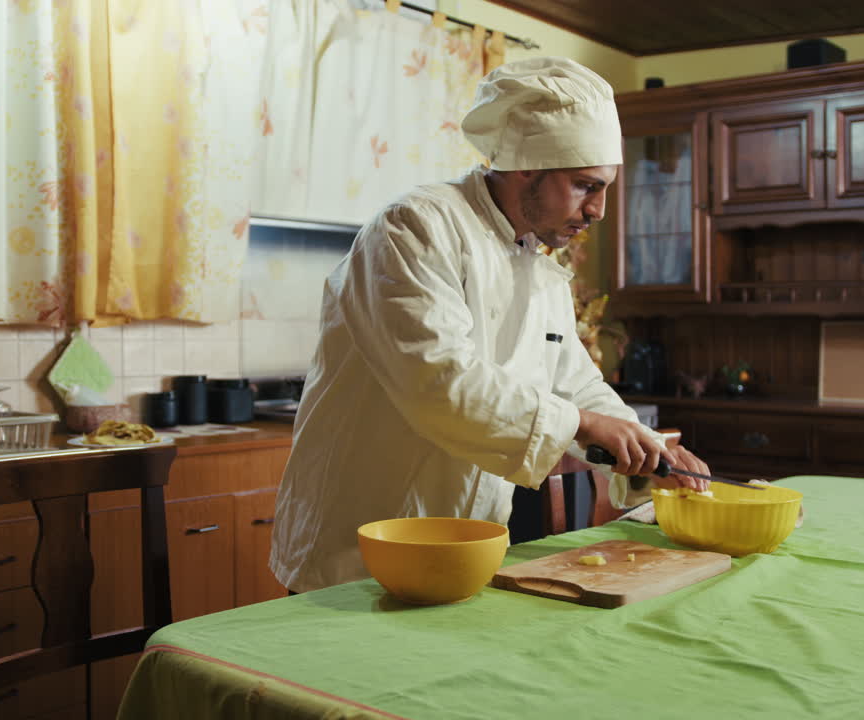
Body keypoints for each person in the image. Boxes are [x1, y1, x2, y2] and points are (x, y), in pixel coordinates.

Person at [270, 57, 711, 594]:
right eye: (583, 186)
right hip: (360, 543)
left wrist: (645, 449)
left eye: (603, 189)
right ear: (527, 164)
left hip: (468, 543)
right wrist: (584, 427)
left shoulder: (539, 264)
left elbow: (574, 381)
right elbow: (439, 382)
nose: (597, 209)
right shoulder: (415, 228)